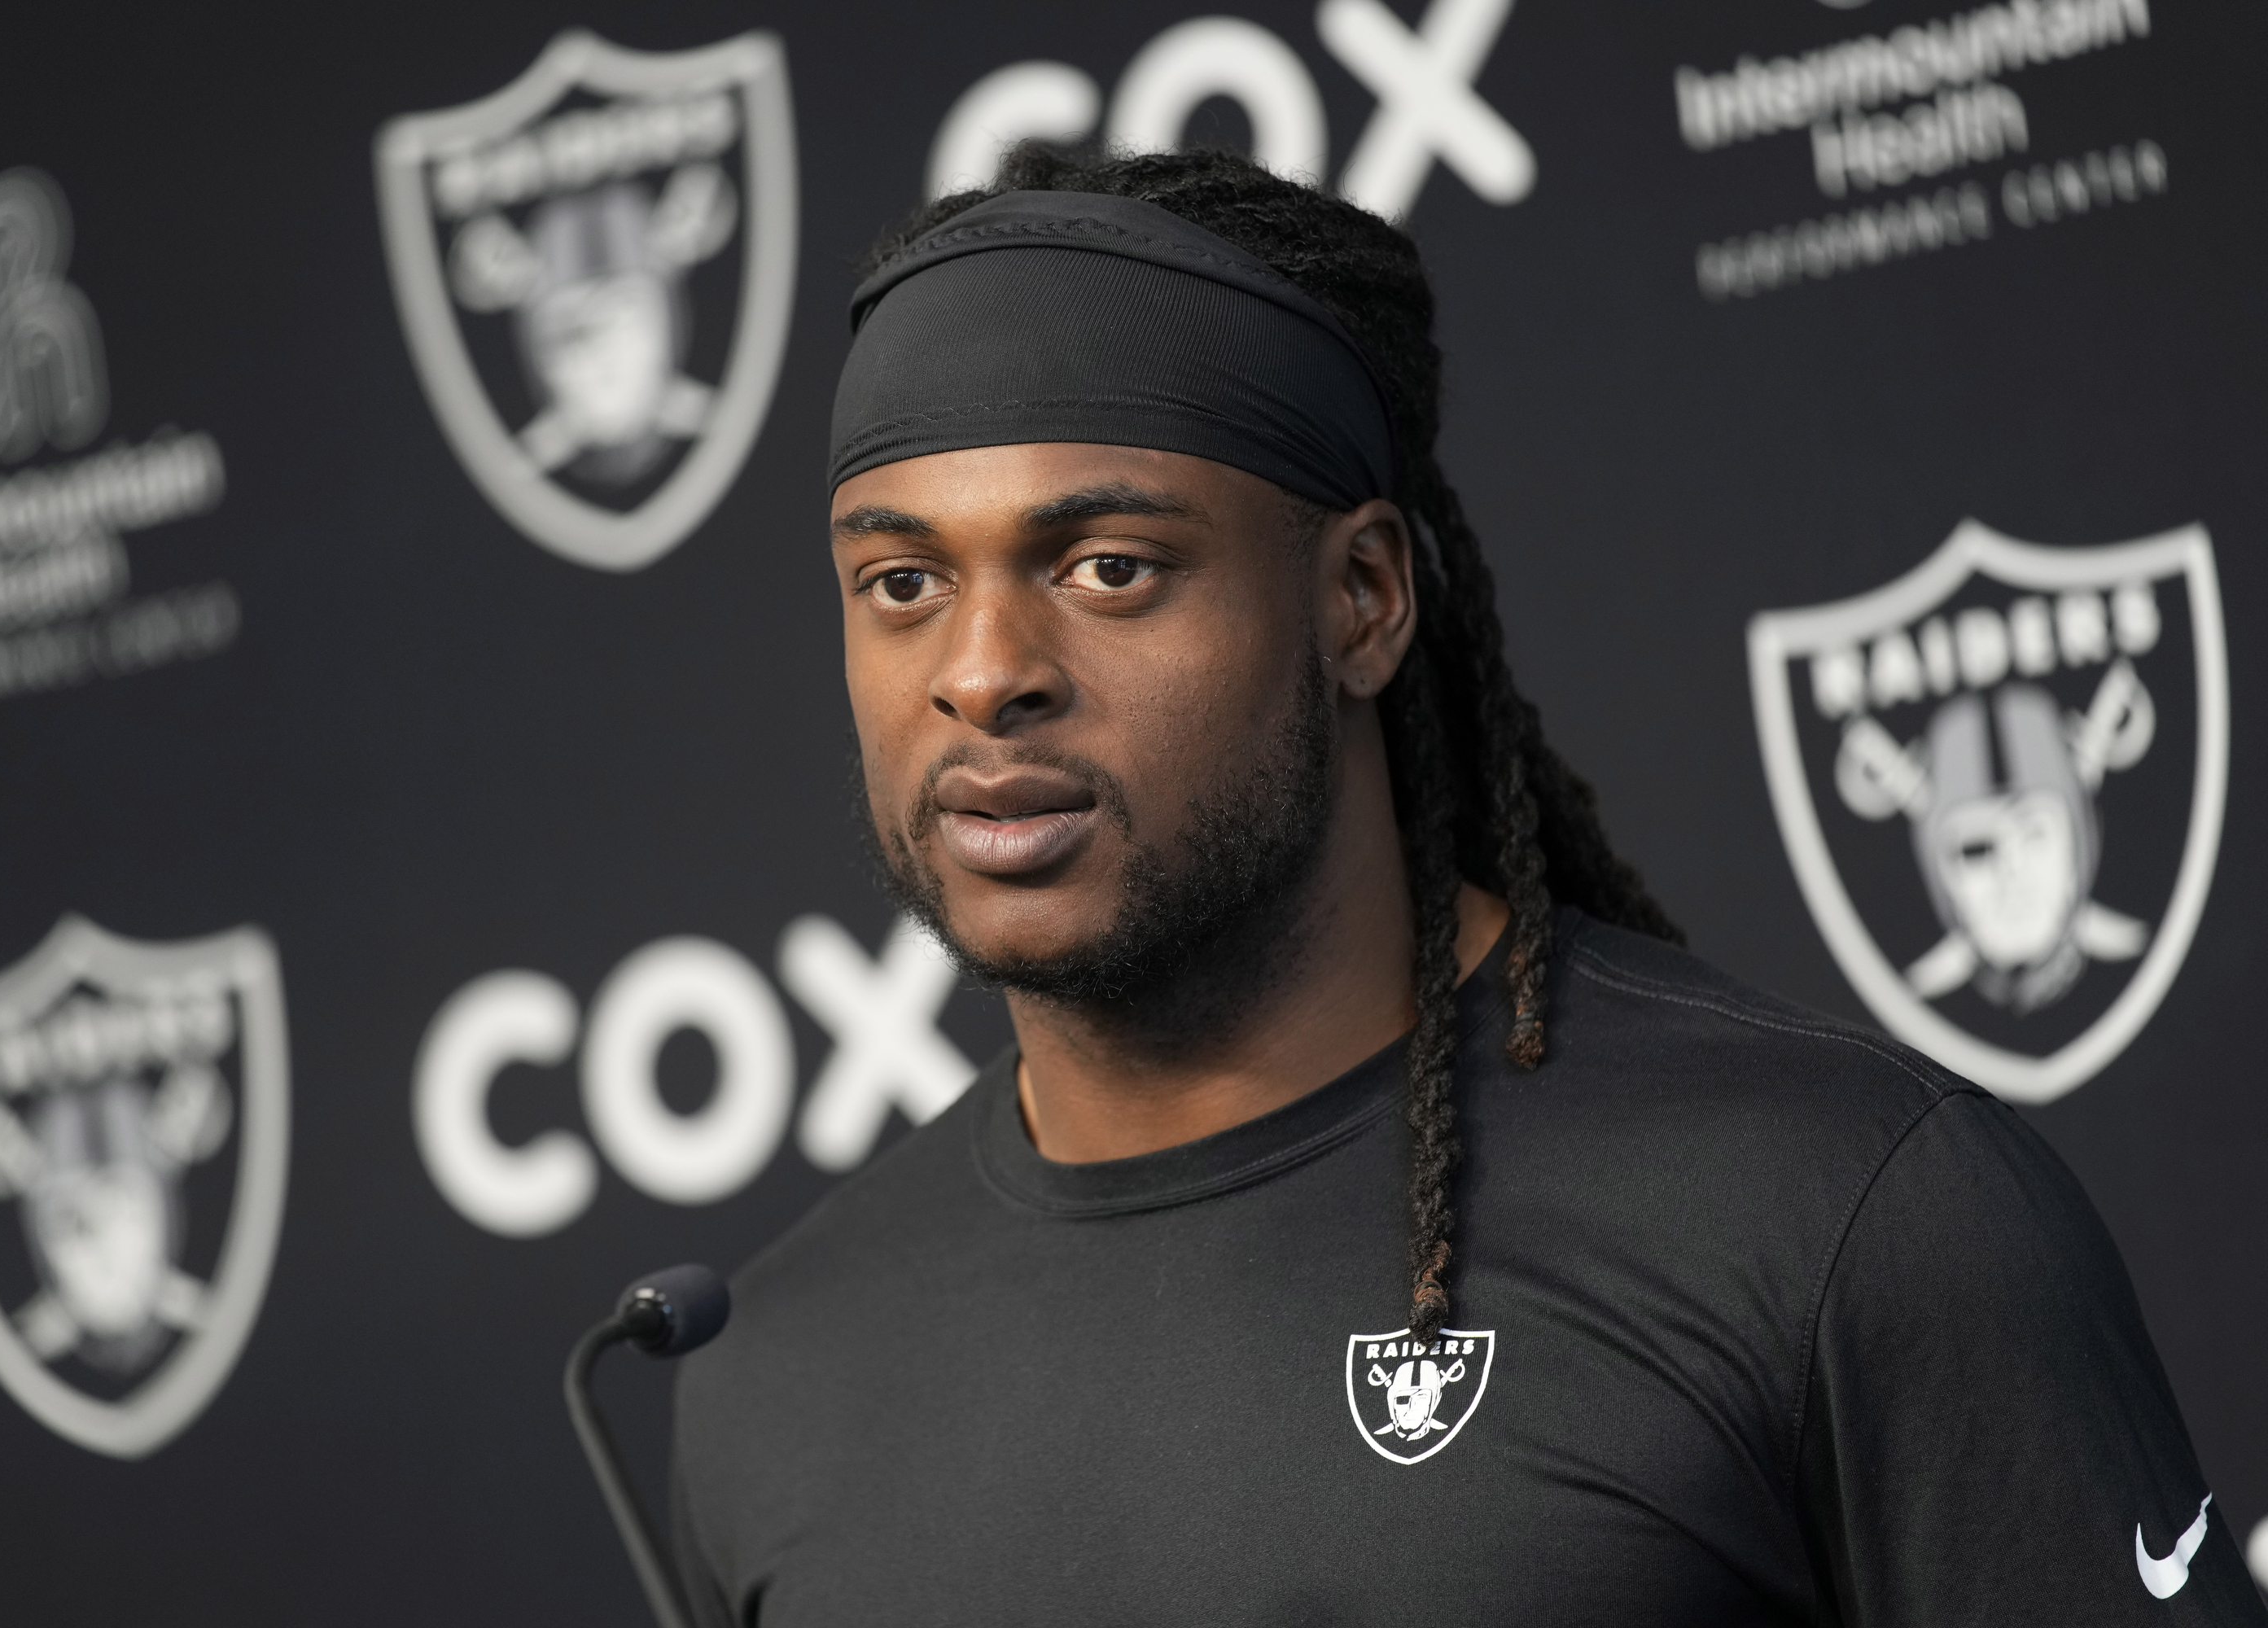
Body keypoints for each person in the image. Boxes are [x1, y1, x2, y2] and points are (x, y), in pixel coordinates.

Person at [669, 145, 2262, 1623]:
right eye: (901, 583)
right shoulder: (773, 1375)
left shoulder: (1844, 1214)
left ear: (1364, 598)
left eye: (1109, 569)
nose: (985, 672)